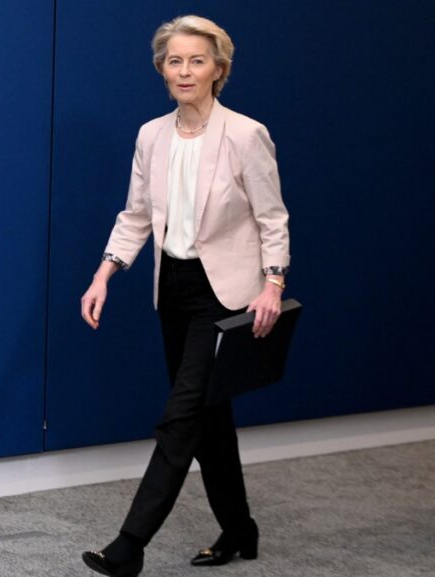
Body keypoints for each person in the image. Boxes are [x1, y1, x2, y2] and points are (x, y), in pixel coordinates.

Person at [78, 15, 290, 577]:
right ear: (161, 70)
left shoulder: (246, 134)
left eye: (197, 60)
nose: (185, 70)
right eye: (174, 61)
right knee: (207, 418)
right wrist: (104, 274)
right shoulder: (152, 135)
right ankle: (240, 530)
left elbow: (272, 218)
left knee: (179, 419)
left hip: (225, 298)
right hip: (172, 289)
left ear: (219, 69)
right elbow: (137, 215)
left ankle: (129, 545)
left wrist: (273, 283)